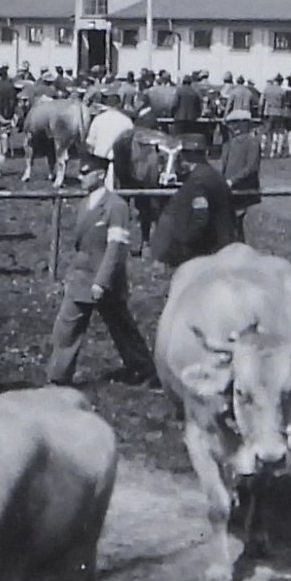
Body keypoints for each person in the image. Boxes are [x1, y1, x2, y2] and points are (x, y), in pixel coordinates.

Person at [47, 152, 159, 387]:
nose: (80, 177)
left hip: (104, 280)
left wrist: (102, 281)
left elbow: (116, 247)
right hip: (81, 278)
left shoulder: (115, 206)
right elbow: (81, 247)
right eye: (80, 172)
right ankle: (58, 377)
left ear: (100, 175)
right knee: (66, 327)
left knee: (121, 327)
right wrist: (71, 274)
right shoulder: (84, 204)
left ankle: (144, 369)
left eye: (85, 173)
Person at [148, 137, 236, 268]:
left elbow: (200, 217)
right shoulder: (214, 175)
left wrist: (185, 242)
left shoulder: (197, 182)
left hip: (208, 250)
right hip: (223, 242)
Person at [221, 113, 264, 243]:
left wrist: (232, 181)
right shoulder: (229, 143)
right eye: (231, 124)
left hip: (244, 189)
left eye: (235, 123)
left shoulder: (252, 143)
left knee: (238, 224)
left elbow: (251, 167)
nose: (232, 127)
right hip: (228, 190)